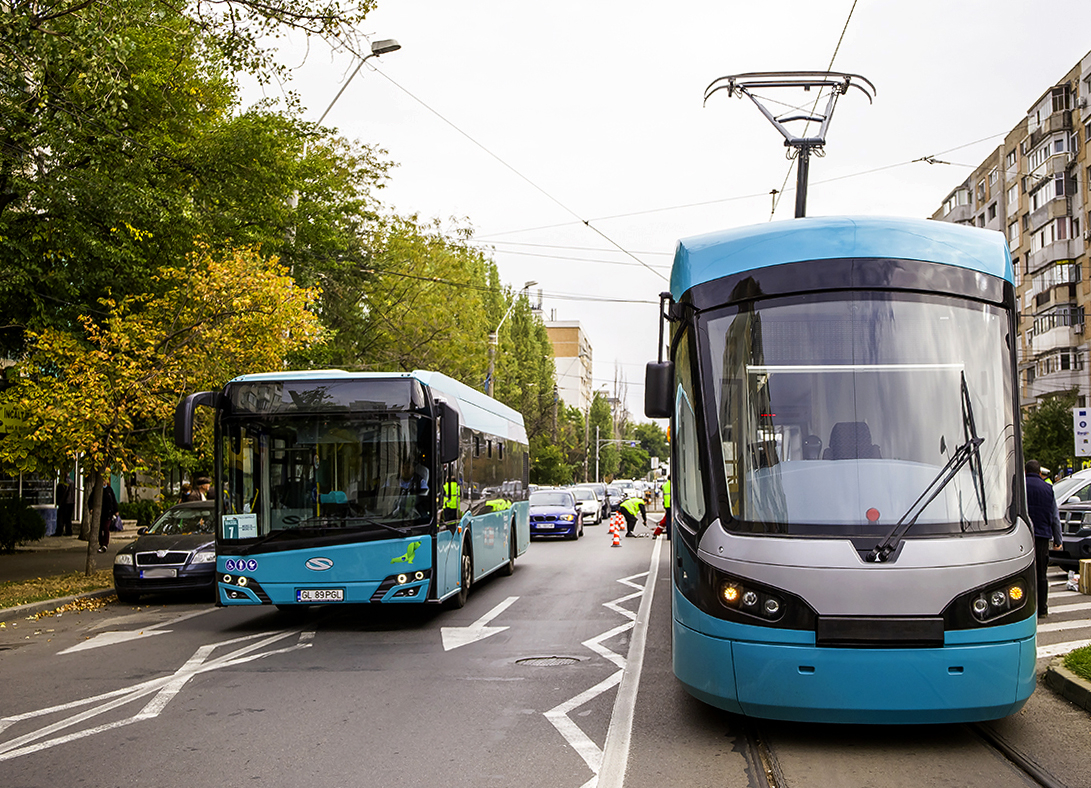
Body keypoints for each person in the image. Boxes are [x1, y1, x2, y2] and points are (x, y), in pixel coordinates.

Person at [1025, 459, 1062, 617]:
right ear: (1039, 472)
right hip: (1042, 536)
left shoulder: (1019, 486)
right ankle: (1043, 609)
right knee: (1041, 574)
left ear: (1025, 471)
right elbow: (1055, 517)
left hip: (1024, 536)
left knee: (1025, 574)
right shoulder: (1048, 488)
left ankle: (1026, 609)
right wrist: (1058, 539)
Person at [96, 473, 119, 553]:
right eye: (103, 481)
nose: (104, 482)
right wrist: (91, 508)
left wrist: (116, 510)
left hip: (108, 513)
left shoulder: (109, 490)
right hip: (100, 513)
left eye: (105, 480)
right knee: (100, 529)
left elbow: (113, 500)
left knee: (106, 528)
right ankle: (101, 543)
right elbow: (91, 499)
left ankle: (105, 544)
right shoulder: (97, 489)